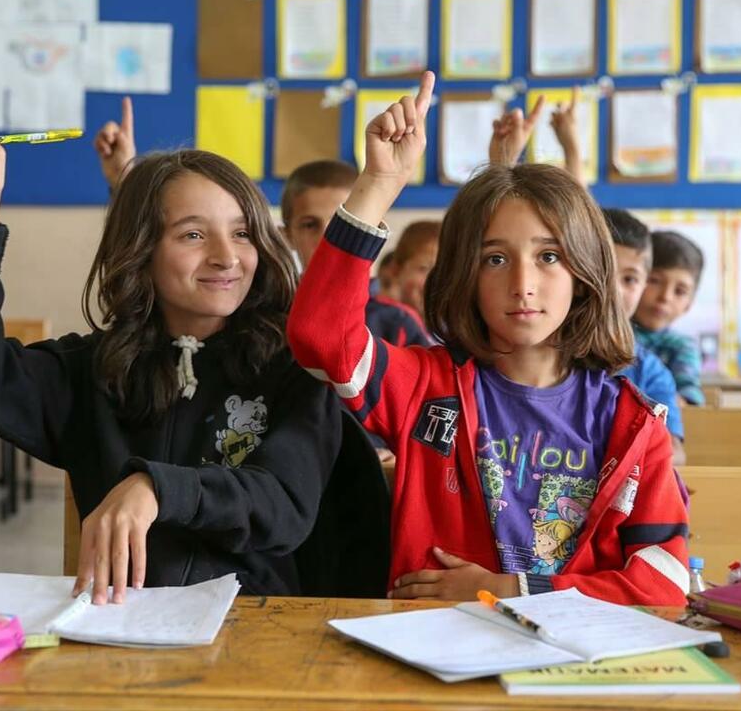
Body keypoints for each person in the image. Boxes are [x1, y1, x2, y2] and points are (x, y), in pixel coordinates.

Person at [0, 68, 340, 604]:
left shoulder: (297, 366)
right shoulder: (94, 369)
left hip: (257, 631)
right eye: (192, 234)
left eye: (241, 233)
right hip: (117, 631)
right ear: (141, 250)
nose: (227, 257)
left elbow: (284, 504)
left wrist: (157, 488)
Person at [288, 72, 689, 606]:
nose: (523, 285)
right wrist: (378, 185)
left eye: (549, 257)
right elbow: (321, 337)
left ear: (585, 272)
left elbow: (664, 585)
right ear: (465, 276)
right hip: (434, 655)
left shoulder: (632, 424)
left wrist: (509, 590)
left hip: (569, 669)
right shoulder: (425, 389)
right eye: (495, 259)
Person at [280, 159, 430, 348]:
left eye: (341, 225)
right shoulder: (271, 316)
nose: (326, 238)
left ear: (371, 228)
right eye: (310, 225)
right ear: (286, 236)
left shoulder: (396, 322)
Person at [603, 208, 687, 465]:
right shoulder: (540, 354)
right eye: (602, 271)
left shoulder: (650, 371)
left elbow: (673, 455)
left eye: (629, 279)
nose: (613, 289)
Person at [633, 231, 706, 406]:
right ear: (633, 280)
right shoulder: (606, 334)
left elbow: (688, 395)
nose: (665, 297)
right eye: (655, 280)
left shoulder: (682, 347)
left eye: (680, 291)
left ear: (689, 304)